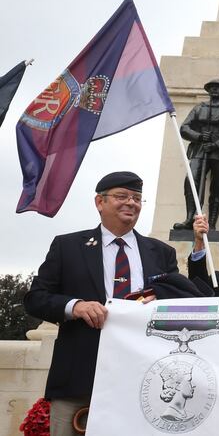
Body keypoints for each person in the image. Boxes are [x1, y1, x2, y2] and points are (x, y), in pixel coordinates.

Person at [23, 172, 208, 436]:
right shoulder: (68, 246)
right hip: (79, 379)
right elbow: (36, 299)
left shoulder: (161, 252)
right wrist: (75, 306)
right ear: (100, 202)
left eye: (136, 198)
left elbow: (181, 301)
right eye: (122, 196)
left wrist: (159, 300)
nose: (131, 203)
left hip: (145, 380)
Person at [173, 78, 219, 231]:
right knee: (191, 182)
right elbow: (184, 128)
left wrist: (217, 144)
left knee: (217, 188)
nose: (215, 90)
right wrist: (199, 136)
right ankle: (191, 218)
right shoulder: (199, 108)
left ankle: (213, 223)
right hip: (200, 150)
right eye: (212, 87)